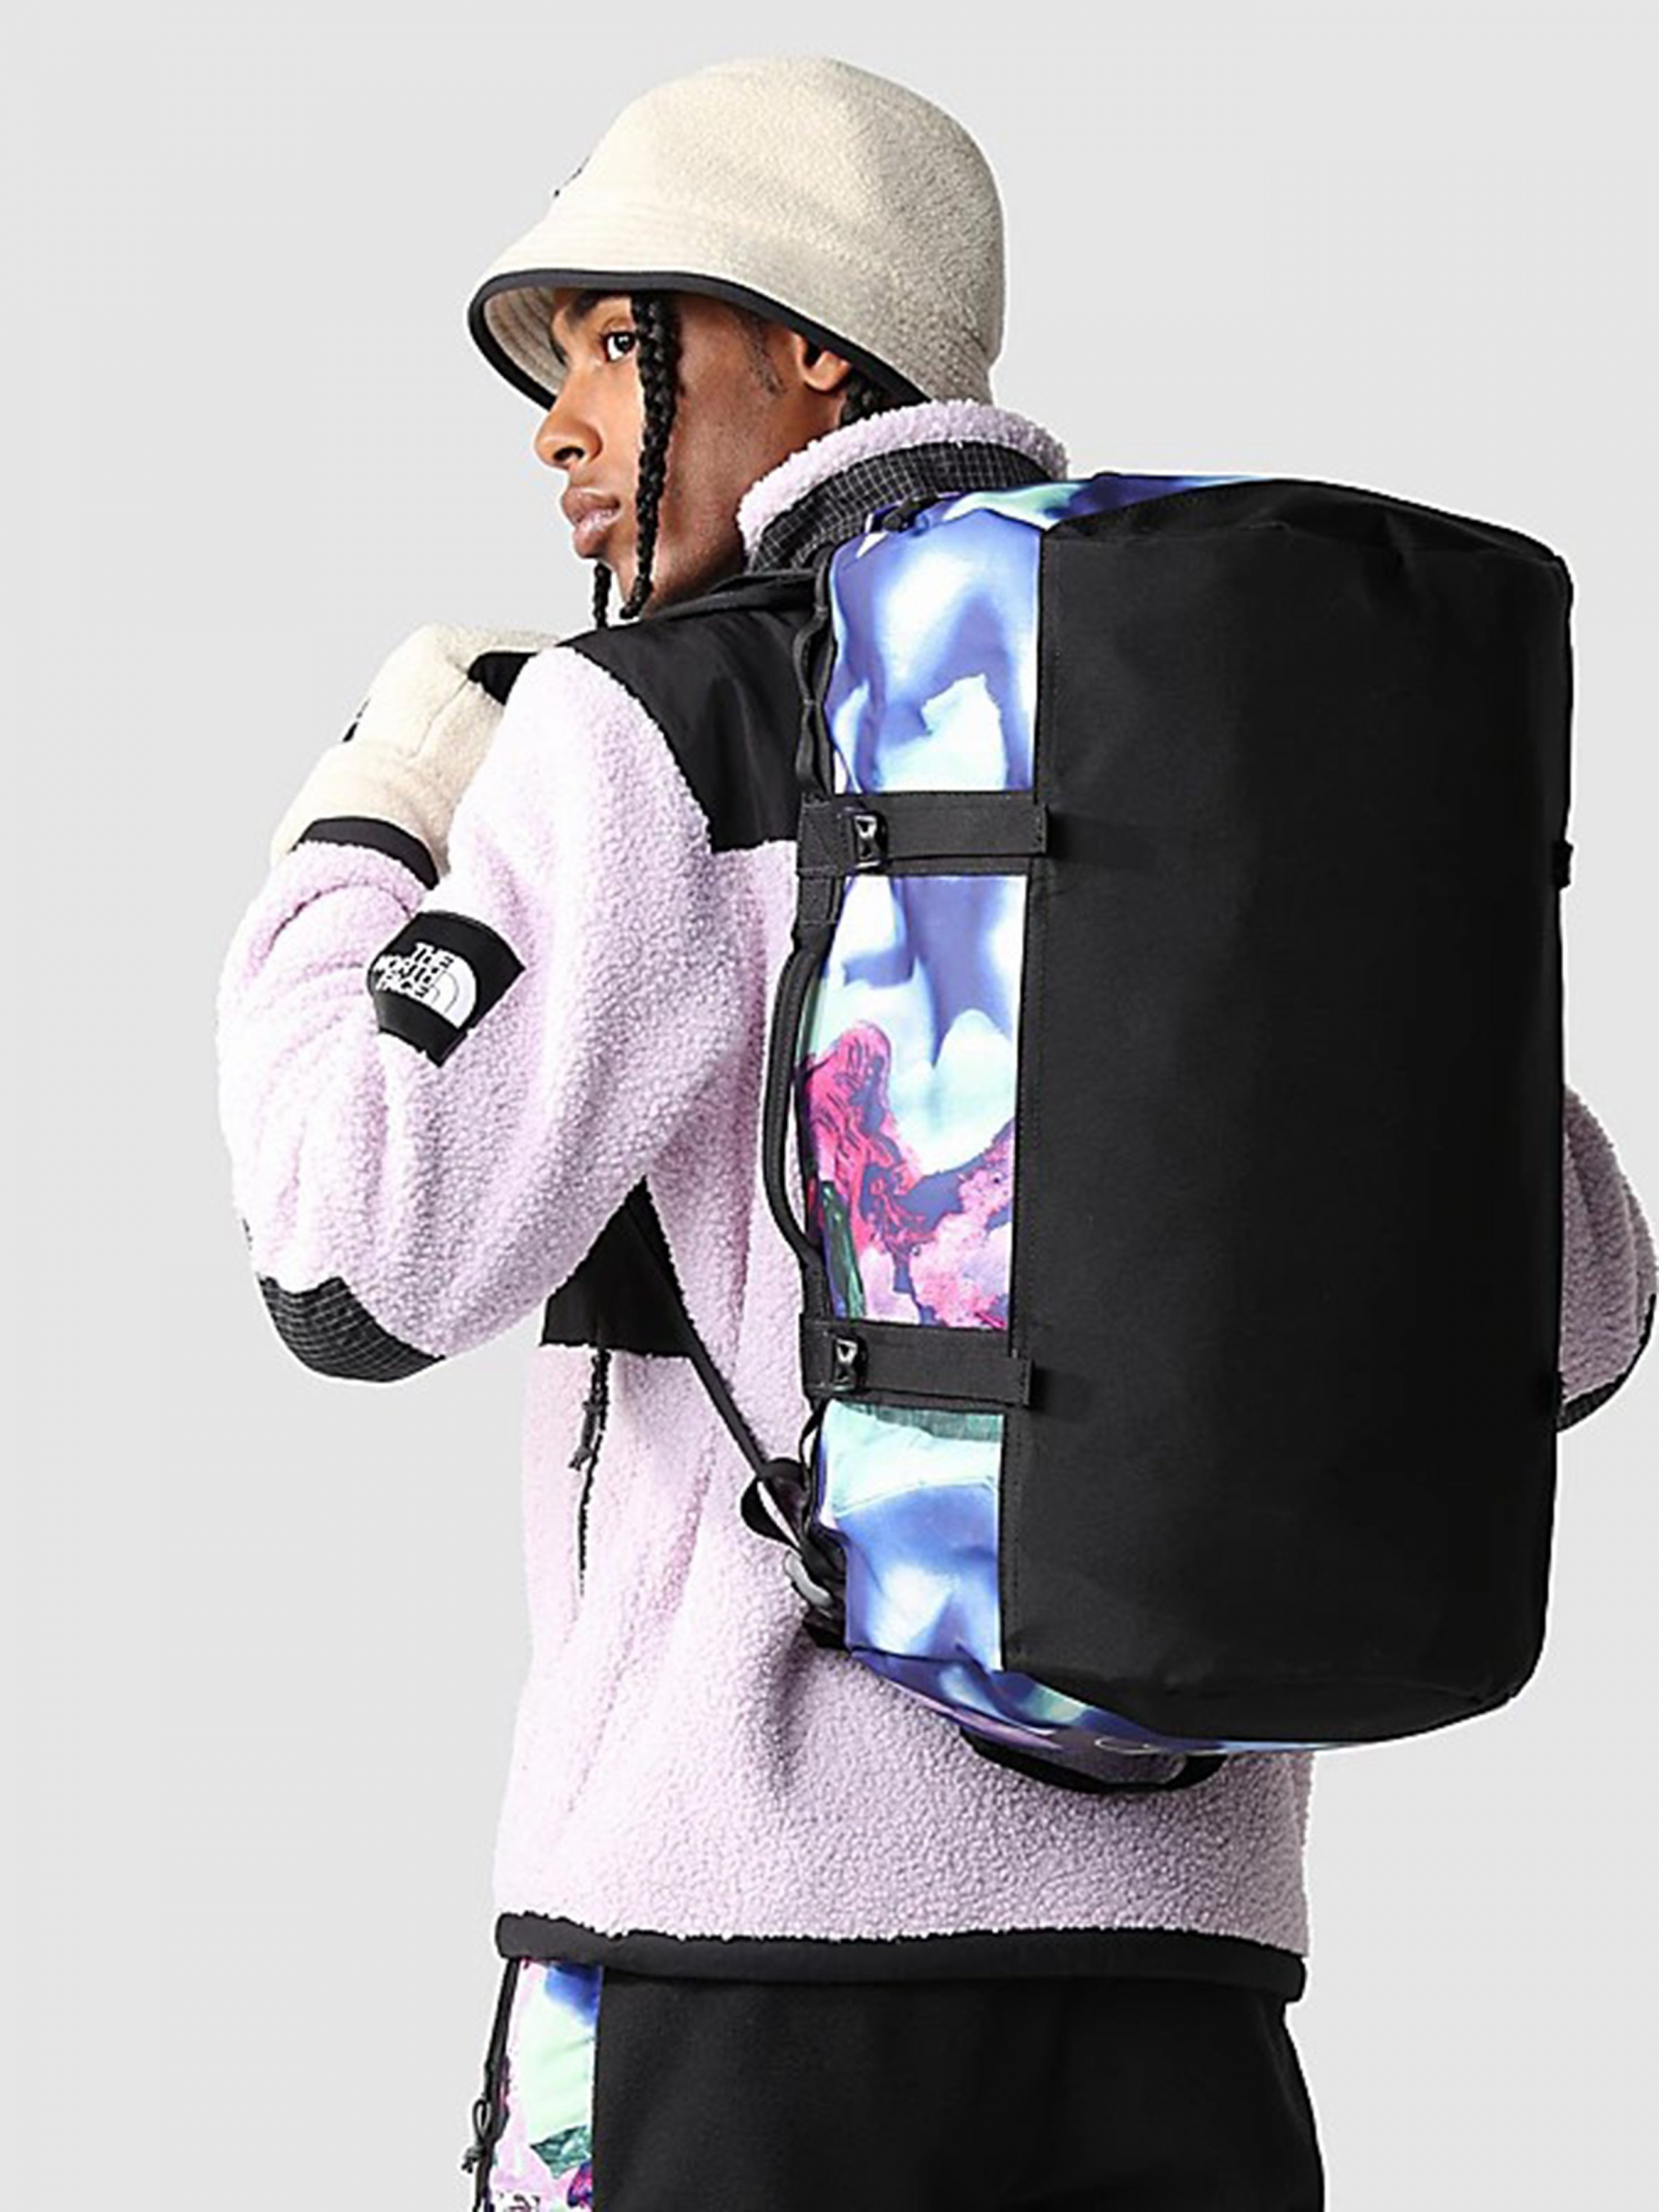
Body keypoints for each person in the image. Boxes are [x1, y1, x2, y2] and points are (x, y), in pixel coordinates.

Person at [215, 52, 1656, 2211]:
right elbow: (1582, 1319)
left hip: (734, 1959)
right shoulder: (1236, 731)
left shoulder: (659, 724)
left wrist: (372, 817)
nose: (558, 426)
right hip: (1179, 2000)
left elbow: (353, 1259)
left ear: (811, 350)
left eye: (614, 341)